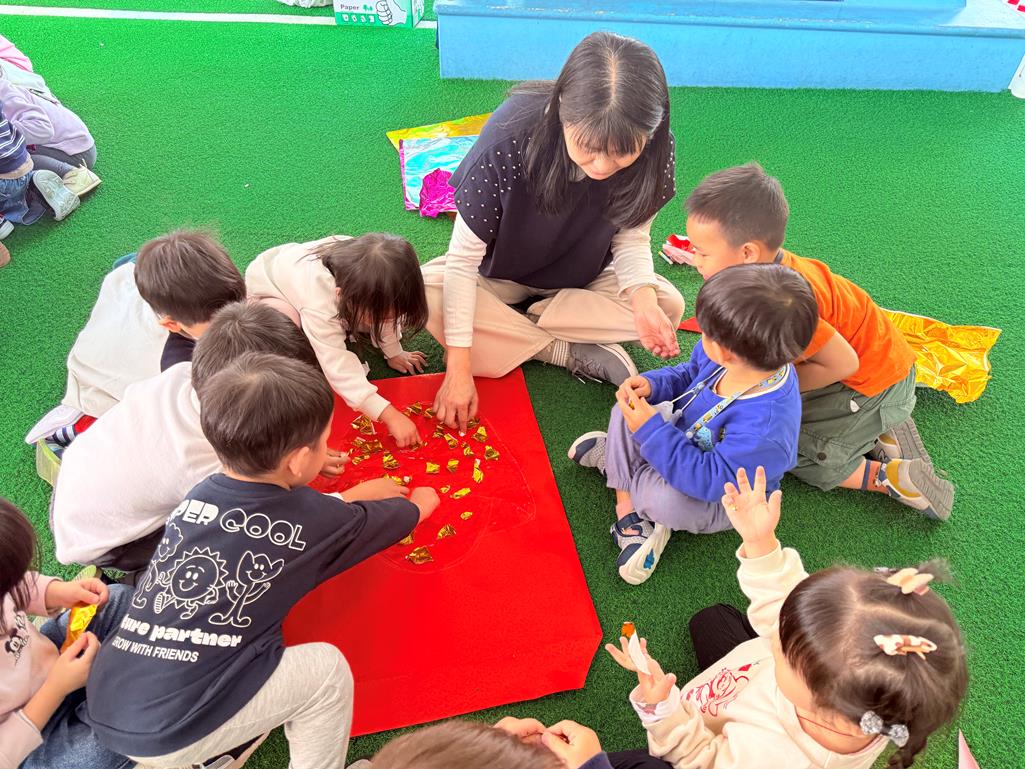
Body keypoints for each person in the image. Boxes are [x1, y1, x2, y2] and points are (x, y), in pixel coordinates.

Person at [84, 352, 440, 769]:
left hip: (109, 697)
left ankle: (212, 747)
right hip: (171, 728)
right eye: (322, 443)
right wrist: (419, 505)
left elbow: (276, 519)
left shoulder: (197, 496)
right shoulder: (312, 517)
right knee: (326, 673)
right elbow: (373, 522)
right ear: (297, 460)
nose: (325, 449)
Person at [606, 467, 968, 769]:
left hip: (707, 740)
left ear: (823, 704)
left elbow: (702, 758)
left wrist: (664, 710)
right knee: (711, 621)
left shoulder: (775, 757)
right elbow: (785, 601)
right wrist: (760, 541)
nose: (775, 634)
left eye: (784, 649)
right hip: (742, 689)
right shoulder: (856, 694)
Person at [425, 31, 685, 432]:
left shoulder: (656, 152)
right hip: (499, 278)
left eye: (622, 153)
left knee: (666, 306)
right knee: (421, 293)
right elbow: (461, 263)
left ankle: (525, 325)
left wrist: (642, 301)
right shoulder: (508, 137)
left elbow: (631, 237)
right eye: (587, 147)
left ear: (649, 134)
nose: (601, 166)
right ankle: (558, 348)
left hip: (584, 279)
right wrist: (457, 367)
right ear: (562, 110)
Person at [675, 163, 954, 520]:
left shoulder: (779, 306)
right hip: (873, 365)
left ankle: (889, 477)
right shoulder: (765, 280)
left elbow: (843, 363)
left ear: (747, 253)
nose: (695, 261)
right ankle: (876, 427)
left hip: (869, 383)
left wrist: (764, 390)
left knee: (778, 445)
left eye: (702, 253)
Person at [50, 301, 379, 573]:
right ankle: (139, 579)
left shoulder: (184, 375)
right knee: (226, 555)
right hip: (117, 541)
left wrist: (300, 453)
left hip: (81, 478)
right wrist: (346, 500)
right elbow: (261, 520)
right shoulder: (209, 465)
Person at [568, 264, 816, 584]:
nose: (702, 336)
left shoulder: (766, 428)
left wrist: (649, 431)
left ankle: (627, 489)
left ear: (727, 353)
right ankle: (627, 489)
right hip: (683, 439)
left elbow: (710, 481)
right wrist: (653, 385)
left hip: (718, 495)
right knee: (625, 409)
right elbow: (689, 374)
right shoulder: (733, 357)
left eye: (707, 332)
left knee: (668, 502)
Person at [26, 231, 246, 453]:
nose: (234, 321)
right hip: (97, 385)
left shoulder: (131, 272)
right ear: (171, 324)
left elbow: (136, 261)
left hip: (103, 336)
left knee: (136, 264)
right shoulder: (174, 362)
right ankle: (79, 427)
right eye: (217, 324)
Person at [246, 233, 429, 447]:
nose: (387, 322)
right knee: (287, 327)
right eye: (378, 317)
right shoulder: (318, 302)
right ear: (342, 296)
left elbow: (387, 315)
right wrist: (389, 415)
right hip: (270, 290)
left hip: (300, 274)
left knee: (374, 315)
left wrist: (394, 352)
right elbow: (337, 364)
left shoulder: (370, 272)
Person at [0, 497, 134, 769]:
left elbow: (14, 585)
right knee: (97, 753)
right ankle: (119, 700)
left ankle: (110, 695)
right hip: (36, 738)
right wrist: (57, 687)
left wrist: (58, 592)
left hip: (53, 656)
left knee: (119, 599)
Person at [0, 68, 100, 196]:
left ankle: (71, 174)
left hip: (76, 152)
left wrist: (4, 132)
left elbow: (43, 129)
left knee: (9, 155)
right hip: (60, 145)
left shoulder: (5, 93)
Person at [0, 101, 78, 240]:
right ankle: (31, 186)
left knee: (6, 190)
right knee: (11, 193)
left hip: (3, 182)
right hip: (25, 166)